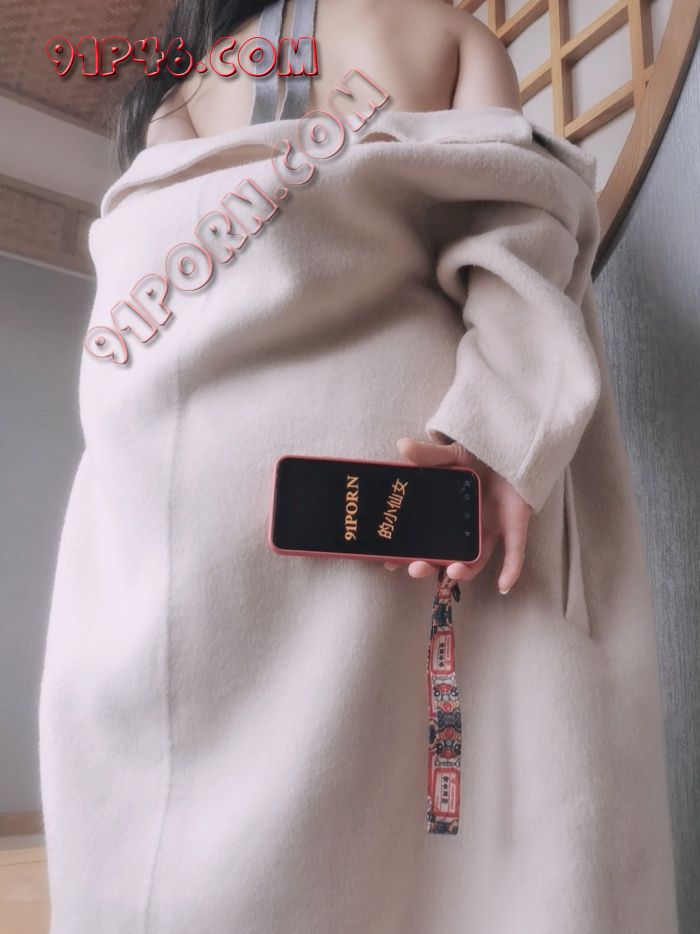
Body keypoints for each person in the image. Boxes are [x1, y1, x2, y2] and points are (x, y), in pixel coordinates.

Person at [38, 0, 679, 931]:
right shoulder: (444, 33)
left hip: (191, 487)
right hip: (401, 473)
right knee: (432, 809)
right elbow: (518, 233)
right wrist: (501, 434)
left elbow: (149, 300)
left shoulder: (180, 89)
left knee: (195, 823)